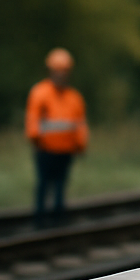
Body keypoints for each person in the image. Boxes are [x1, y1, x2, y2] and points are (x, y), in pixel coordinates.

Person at [25, 48, 89, 228]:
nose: (61, 74)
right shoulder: (40, 93)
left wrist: (81, 143)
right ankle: (39, 218)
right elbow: (33, 119)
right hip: (45, 149)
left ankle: (58, 218)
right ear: (50, 70)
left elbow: (79, 123)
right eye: (57, 70)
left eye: (64, 71)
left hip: (66, 150)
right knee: (44, 184)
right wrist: (35, 139)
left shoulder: (74, 97)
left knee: (61, 185)